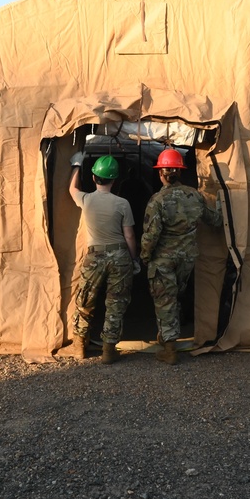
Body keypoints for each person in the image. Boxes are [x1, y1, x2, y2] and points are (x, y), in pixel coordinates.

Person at [140, 148, 222, 365]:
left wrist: (144, 257)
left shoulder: (157, 200)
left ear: (160, 173)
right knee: (175, 296)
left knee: (165, 300)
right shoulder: (195, 195)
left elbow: (151, 235)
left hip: (163, 259)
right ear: (181, 172)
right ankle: (168, 333)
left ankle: (169, 348)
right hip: (187, 259)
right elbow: (214, 220)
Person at [68, 152, 139, 364]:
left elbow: (71, 189)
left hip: (94, 255)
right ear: (115, 179)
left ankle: (79, 346)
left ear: (93, 178)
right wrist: (134, 259)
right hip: (119, 255)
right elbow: (129, 235)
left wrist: (76, 165)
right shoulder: (123, 203)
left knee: (85, 300)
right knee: (116, 303)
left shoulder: (86, 199)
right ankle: (109, 350)